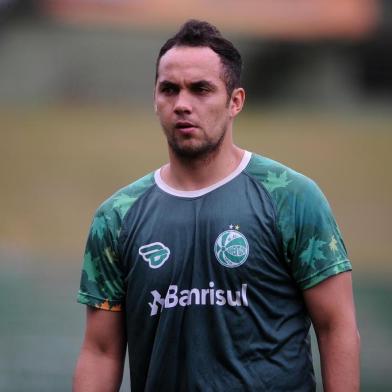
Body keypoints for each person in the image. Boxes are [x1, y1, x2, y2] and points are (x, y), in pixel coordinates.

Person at [73, 19, 360, 392]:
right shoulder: (117, 217)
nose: (182, 104)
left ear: (234, 101)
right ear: (155, 99)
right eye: (169, 89)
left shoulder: (291, 197)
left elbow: (336, 326)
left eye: (201, 89)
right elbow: (101, 351)